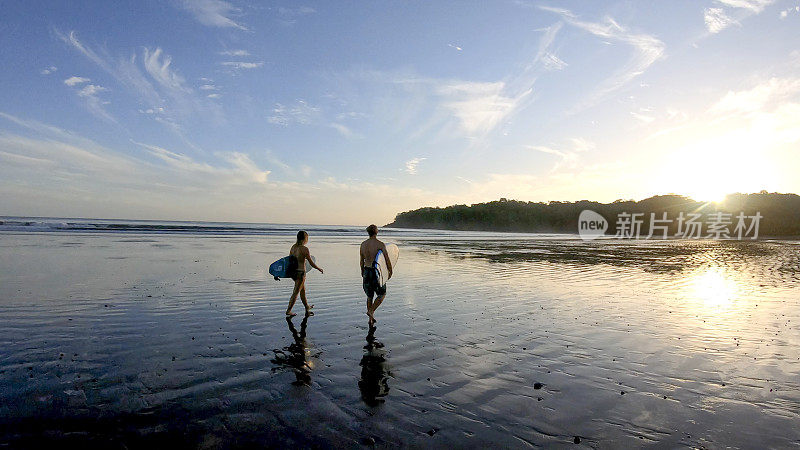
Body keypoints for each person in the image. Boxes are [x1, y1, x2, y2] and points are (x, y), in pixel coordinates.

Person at [286, 230, 323, 317]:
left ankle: (307, 307)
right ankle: (288, 310)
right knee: (296, 292)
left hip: (294, 273)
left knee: (302, 291)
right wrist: (318, 268)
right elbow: (311, 262)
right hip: (301, 273)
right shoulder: (304, 249)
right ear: (305, 238)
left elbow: (289, 260)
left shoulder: (293, 247)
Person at [360, 224, 392, 323]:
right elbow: (386, 259)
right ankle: (371, 311)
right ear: (376, 232)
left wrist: (362, 271)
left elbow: (361, 261)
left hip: (366, 270)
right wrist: (390, 270)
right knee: (382, 294)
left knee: (369, 296)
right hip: (376, 271)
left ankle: (370, 319)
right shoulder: (380, 244)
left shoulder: (363, 244)